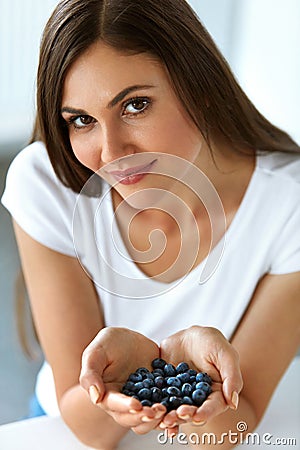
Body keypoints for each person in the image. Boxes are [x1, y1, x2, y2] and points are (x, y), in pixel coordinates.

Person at [2, 0, 300, 448]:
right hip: (62, 423)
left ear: (198, 85)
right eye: (81, 120)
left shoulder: (289, 206)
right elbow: (90, 429)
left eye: (135, 105)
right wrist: (125, 375)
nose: (111, 152)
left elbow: (231, 429)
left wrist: (195, 372)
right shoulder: (46, 183)